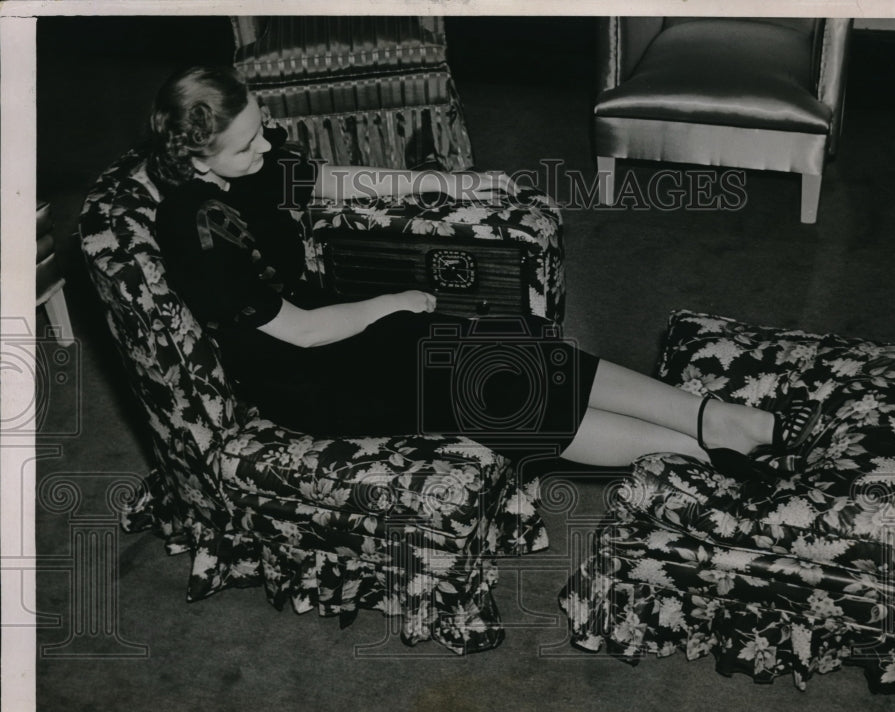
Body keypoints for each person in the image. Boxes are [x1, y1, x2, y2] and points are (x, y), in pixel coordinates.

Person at [149, 65, 818, 474]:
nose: (267, 146)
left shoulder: (254, 164)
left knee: (506, 339)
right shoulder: (193, 228)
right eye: (247, 144)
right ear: (199, 160)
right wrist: (395, 303)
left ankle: (711, 417)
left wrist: (460, 189)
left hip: (334, 328)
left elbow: (335, 180)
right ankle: (699, 455)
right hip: (304, 375)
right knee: (489, 385)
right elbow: (297, 334)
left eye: (261, 128)